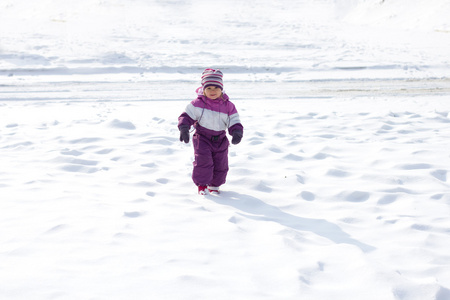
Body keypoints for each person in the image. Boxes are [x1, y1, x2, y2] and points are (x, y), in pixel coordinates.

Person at [178, 68, 244, 195]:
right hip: (202, 137)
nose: (212, 91)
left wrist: (236, 131)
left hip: (220, 139)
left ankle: (214, 186)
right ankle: (202, 186)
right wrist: (184, 128)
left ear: (221, 89)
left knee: (221, 164)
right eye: (209, 88)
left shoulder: (228, 105)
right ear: (203, 89)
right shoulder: (197, 104)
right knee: (203, 162)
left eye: (216, 88)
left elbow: (234, 119)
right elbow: (187, 116)